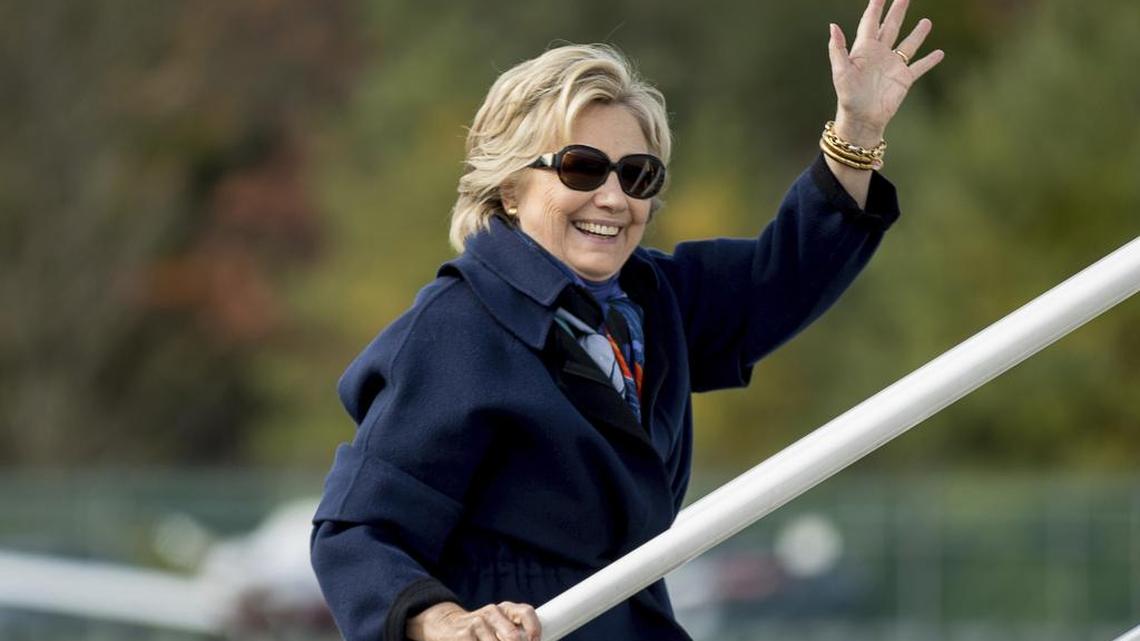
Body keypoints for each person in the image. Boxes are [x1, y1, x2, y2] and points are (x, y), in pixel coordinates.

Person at [310, 1, 943, 640]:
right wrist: (443, 623)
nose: (613, 197)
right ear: (508, 188)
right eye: (581, 168)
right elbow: (358, 530)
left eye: (638, 175)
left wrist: (856, 131)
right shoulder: (456, 330)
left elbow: (782, 279)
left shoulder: (652, 298)